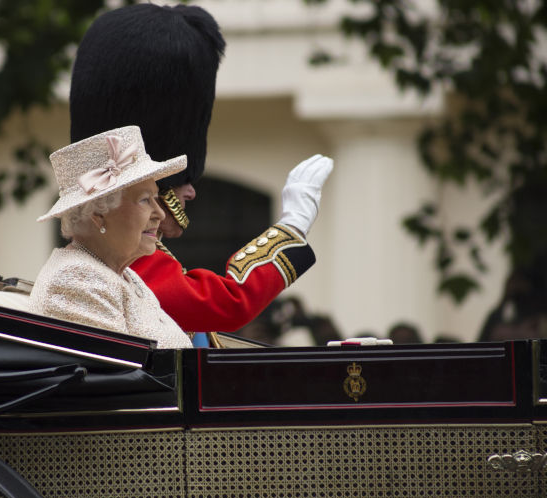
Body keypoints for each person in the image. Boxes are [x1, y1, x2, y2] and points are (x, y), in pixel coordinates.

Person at [70, 4, 333, 344]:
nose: (191, 192)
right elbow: (228, 302)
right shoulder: (124, 262)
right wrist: (291, 227)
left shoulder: (132, 256)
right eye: (176, 179)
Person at [28, 126, 193, 349]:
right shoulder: (78, 279)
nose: (160, 214)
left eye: (156, 198)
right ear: (98, 214)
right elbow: (126, 378)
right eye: (145, 200)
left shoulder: (122, 275)